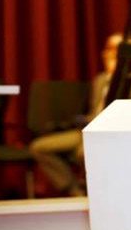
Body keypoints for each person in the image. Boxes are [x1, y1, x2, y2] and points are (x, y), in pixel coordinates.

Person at [29, 33, 122, 196]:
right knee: (40, 147)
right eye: (110, 49)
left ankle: (102, 193)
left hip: (110, 134)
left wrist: (118, 76)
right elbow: (93, 111)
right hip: (86, 130)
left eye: (117, 50)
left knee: (83, 153)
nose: (111, 54)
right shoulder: (100, 80)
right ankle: (74, 190)